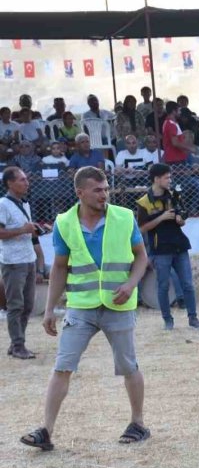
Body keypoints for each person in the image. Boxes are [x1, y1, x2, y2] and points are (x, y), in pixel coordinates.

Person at [20, 166, 150, 451]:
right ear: (80, 193)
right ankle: (46, 431)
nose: (104, 195)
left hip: (118, 305)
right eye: (97, 190)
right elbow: (59, 267)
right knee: (62, 366)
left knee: (128, 365)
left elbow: (141, 257)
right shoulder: (64, 223)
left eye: (106, 189)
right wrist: (49, 309)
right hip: (80, 306)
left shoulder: (124, 217)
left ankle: (138, 423)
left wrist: (130, 284)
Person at [136, 163, 199, 331]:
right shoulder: (144, 202)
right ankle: (167, 320)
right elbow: (142, 228)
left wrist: (180, 220)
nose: (170, 180)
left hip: (179, 246)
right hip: (160, 250)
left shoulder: (174, 195)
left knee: (188, 284)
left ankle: (193, 318)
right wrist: (161, 218)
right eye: (167, 177)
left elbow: (182, 217)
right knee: (163, 286)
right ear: (156, 179)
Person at [0, 166, 41, 359]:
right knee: (16, 305)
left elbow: (25, 230)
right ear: (10, 183)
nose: (27, 183)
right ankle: (18, 345)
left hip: (28, 258)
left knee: (27, 305)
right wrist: (23, 230)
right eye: (22, 180)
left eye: (26, 179)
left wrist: (33, 230)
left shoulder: (24, 204)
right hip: (13, 261)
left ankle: (17, 343)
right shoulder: (3, 204)